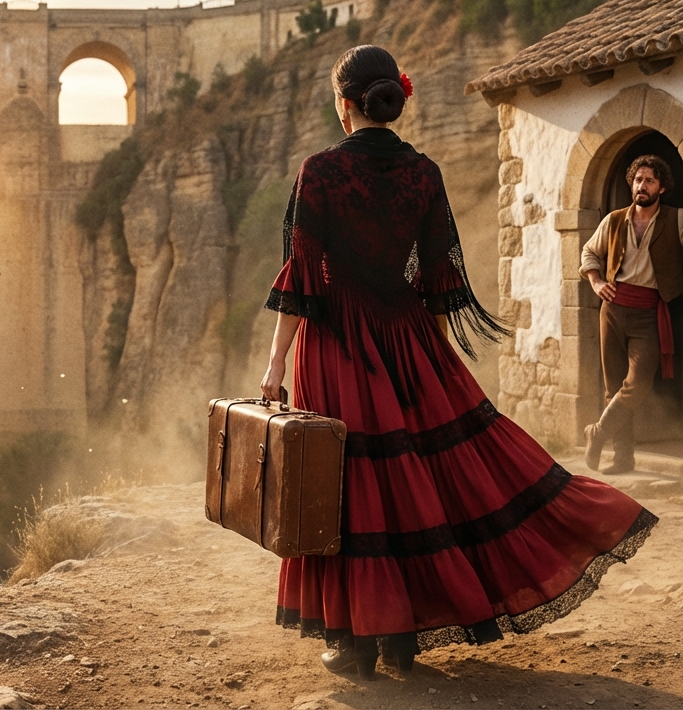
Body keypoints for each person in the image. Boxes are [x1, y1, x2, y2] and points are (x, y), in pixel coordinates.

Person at [259, 45, 657, 679]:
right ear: (393, 100)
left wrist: (275, 365)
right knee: (420, 480)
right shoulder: (424, 173)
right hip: (410, 336)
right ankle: (402, 639)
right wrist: (430, 359)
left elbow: (302, 279)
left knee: (347, 486)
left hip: (336, 342)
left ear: (344, 105)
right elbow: (441, 278)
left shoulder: (320, 172)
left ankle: (356, 644)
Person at [580, 157, 683, 474]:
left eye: (650, 180)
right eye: (638, 179)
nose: (642, 185)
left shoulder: (676, 219)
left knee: (636, 383)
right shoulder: (613, 220)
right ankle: (623, 457)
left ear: (662, 187)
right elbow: (588, 252)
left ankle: (597, 432)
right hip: (611, 310)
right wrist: (597, 282)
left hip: (649, 313)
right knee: (613, 386)